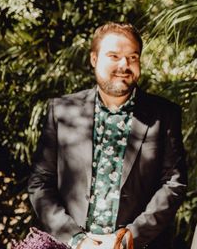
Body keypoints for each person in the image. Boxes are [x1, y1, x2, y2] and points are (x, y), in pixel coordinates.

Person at [28, 23, 187, 249]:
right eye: (114, 56)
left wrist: (129, 237)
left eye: (133, 57)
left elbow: (174, 183)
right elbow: (40, 182)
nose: (125, 65)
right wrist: (76, 239)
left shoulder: (164, 114)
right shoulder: (62, 111)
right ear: (94, 59)